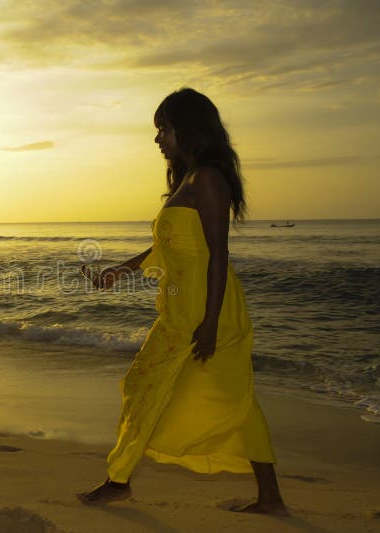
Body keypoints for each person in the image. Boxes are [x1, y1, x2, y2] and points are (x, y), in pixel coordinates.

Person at [77, 88, 287, 515]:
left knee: (224, 397)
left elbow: (217, 254)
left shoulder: (208, 179)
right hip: (181, 308)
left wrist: (209, 322)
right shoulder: (187, 181)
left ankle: (120, 482)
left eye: (164, 130)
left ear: (188, 129)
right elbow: (171, 248)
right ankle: (122, 481)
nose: (158, 140)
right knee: (153, 386)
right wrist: (120, 271)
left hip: (208, 308)